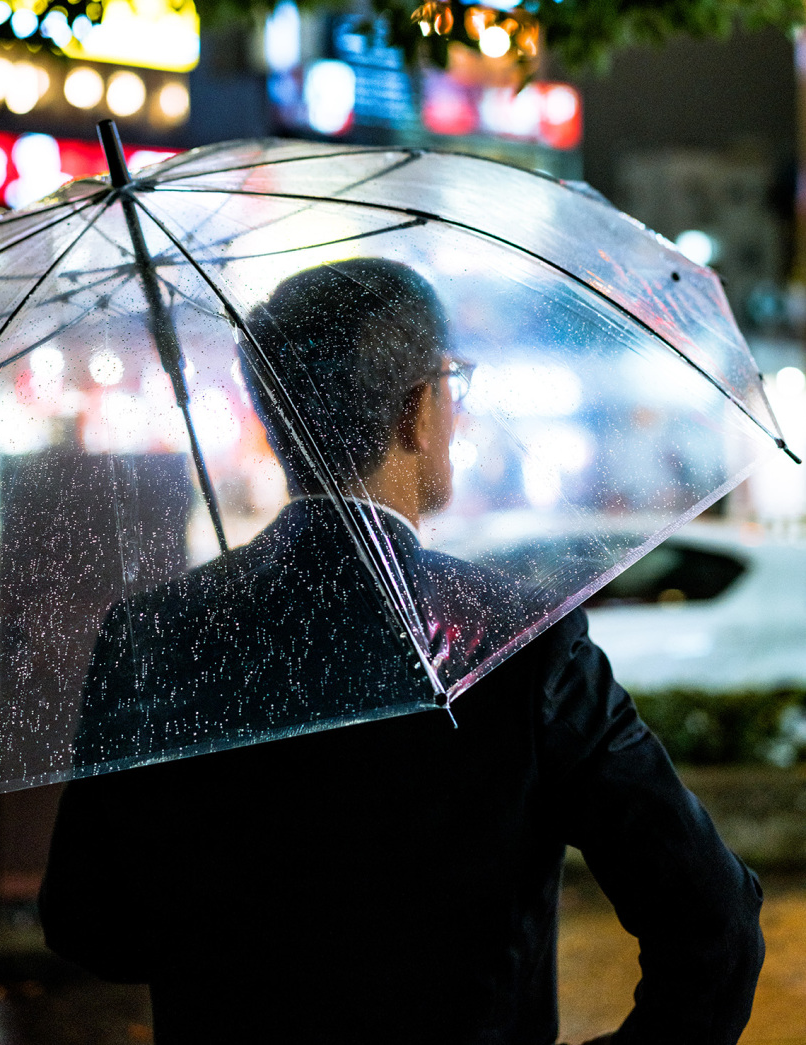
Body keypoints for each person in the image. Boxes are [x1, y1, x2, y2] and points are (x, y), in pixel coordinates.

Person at [40, 258, 764, 1045]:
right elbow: (715, 926)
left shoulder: (157, 634)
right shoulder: (520, 639)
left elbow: (91, 927)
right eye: (452, 381)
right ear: (419, 410)